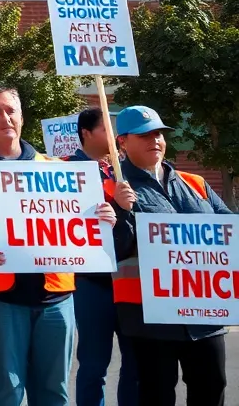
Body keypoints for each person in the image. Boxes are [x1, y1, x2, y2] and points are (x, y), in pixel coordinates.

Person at [0, 86, 116, 406]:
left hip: (57, 295)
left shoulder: (61, 170)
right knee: (6, 392)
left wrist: (104, 218)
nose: (6, 117)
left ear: (21, 116)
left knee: (54, 392)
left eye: (11, 110)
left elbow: (86, 228)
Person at [110, 105, 230, 406]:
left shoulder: (196, 184)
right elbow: (111, 250)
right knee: (156, 393)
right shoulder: (112, 187)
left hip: (205, 313)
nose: (156, 141)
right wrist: (121, 212)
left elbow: (229, 233)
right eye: (145, 135)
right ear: (122, 141)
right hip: (149, 318)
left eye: (159, 134)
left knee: (212, 387)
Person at [67, 107, 137, 406]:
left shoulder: (120, 170)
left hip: (128, 278)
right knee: (94, 365)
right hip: (92, 282)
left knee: (134, 365)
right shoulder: (66, 170)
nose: (115, 137)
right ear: (86, 133)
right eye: (107, 129)